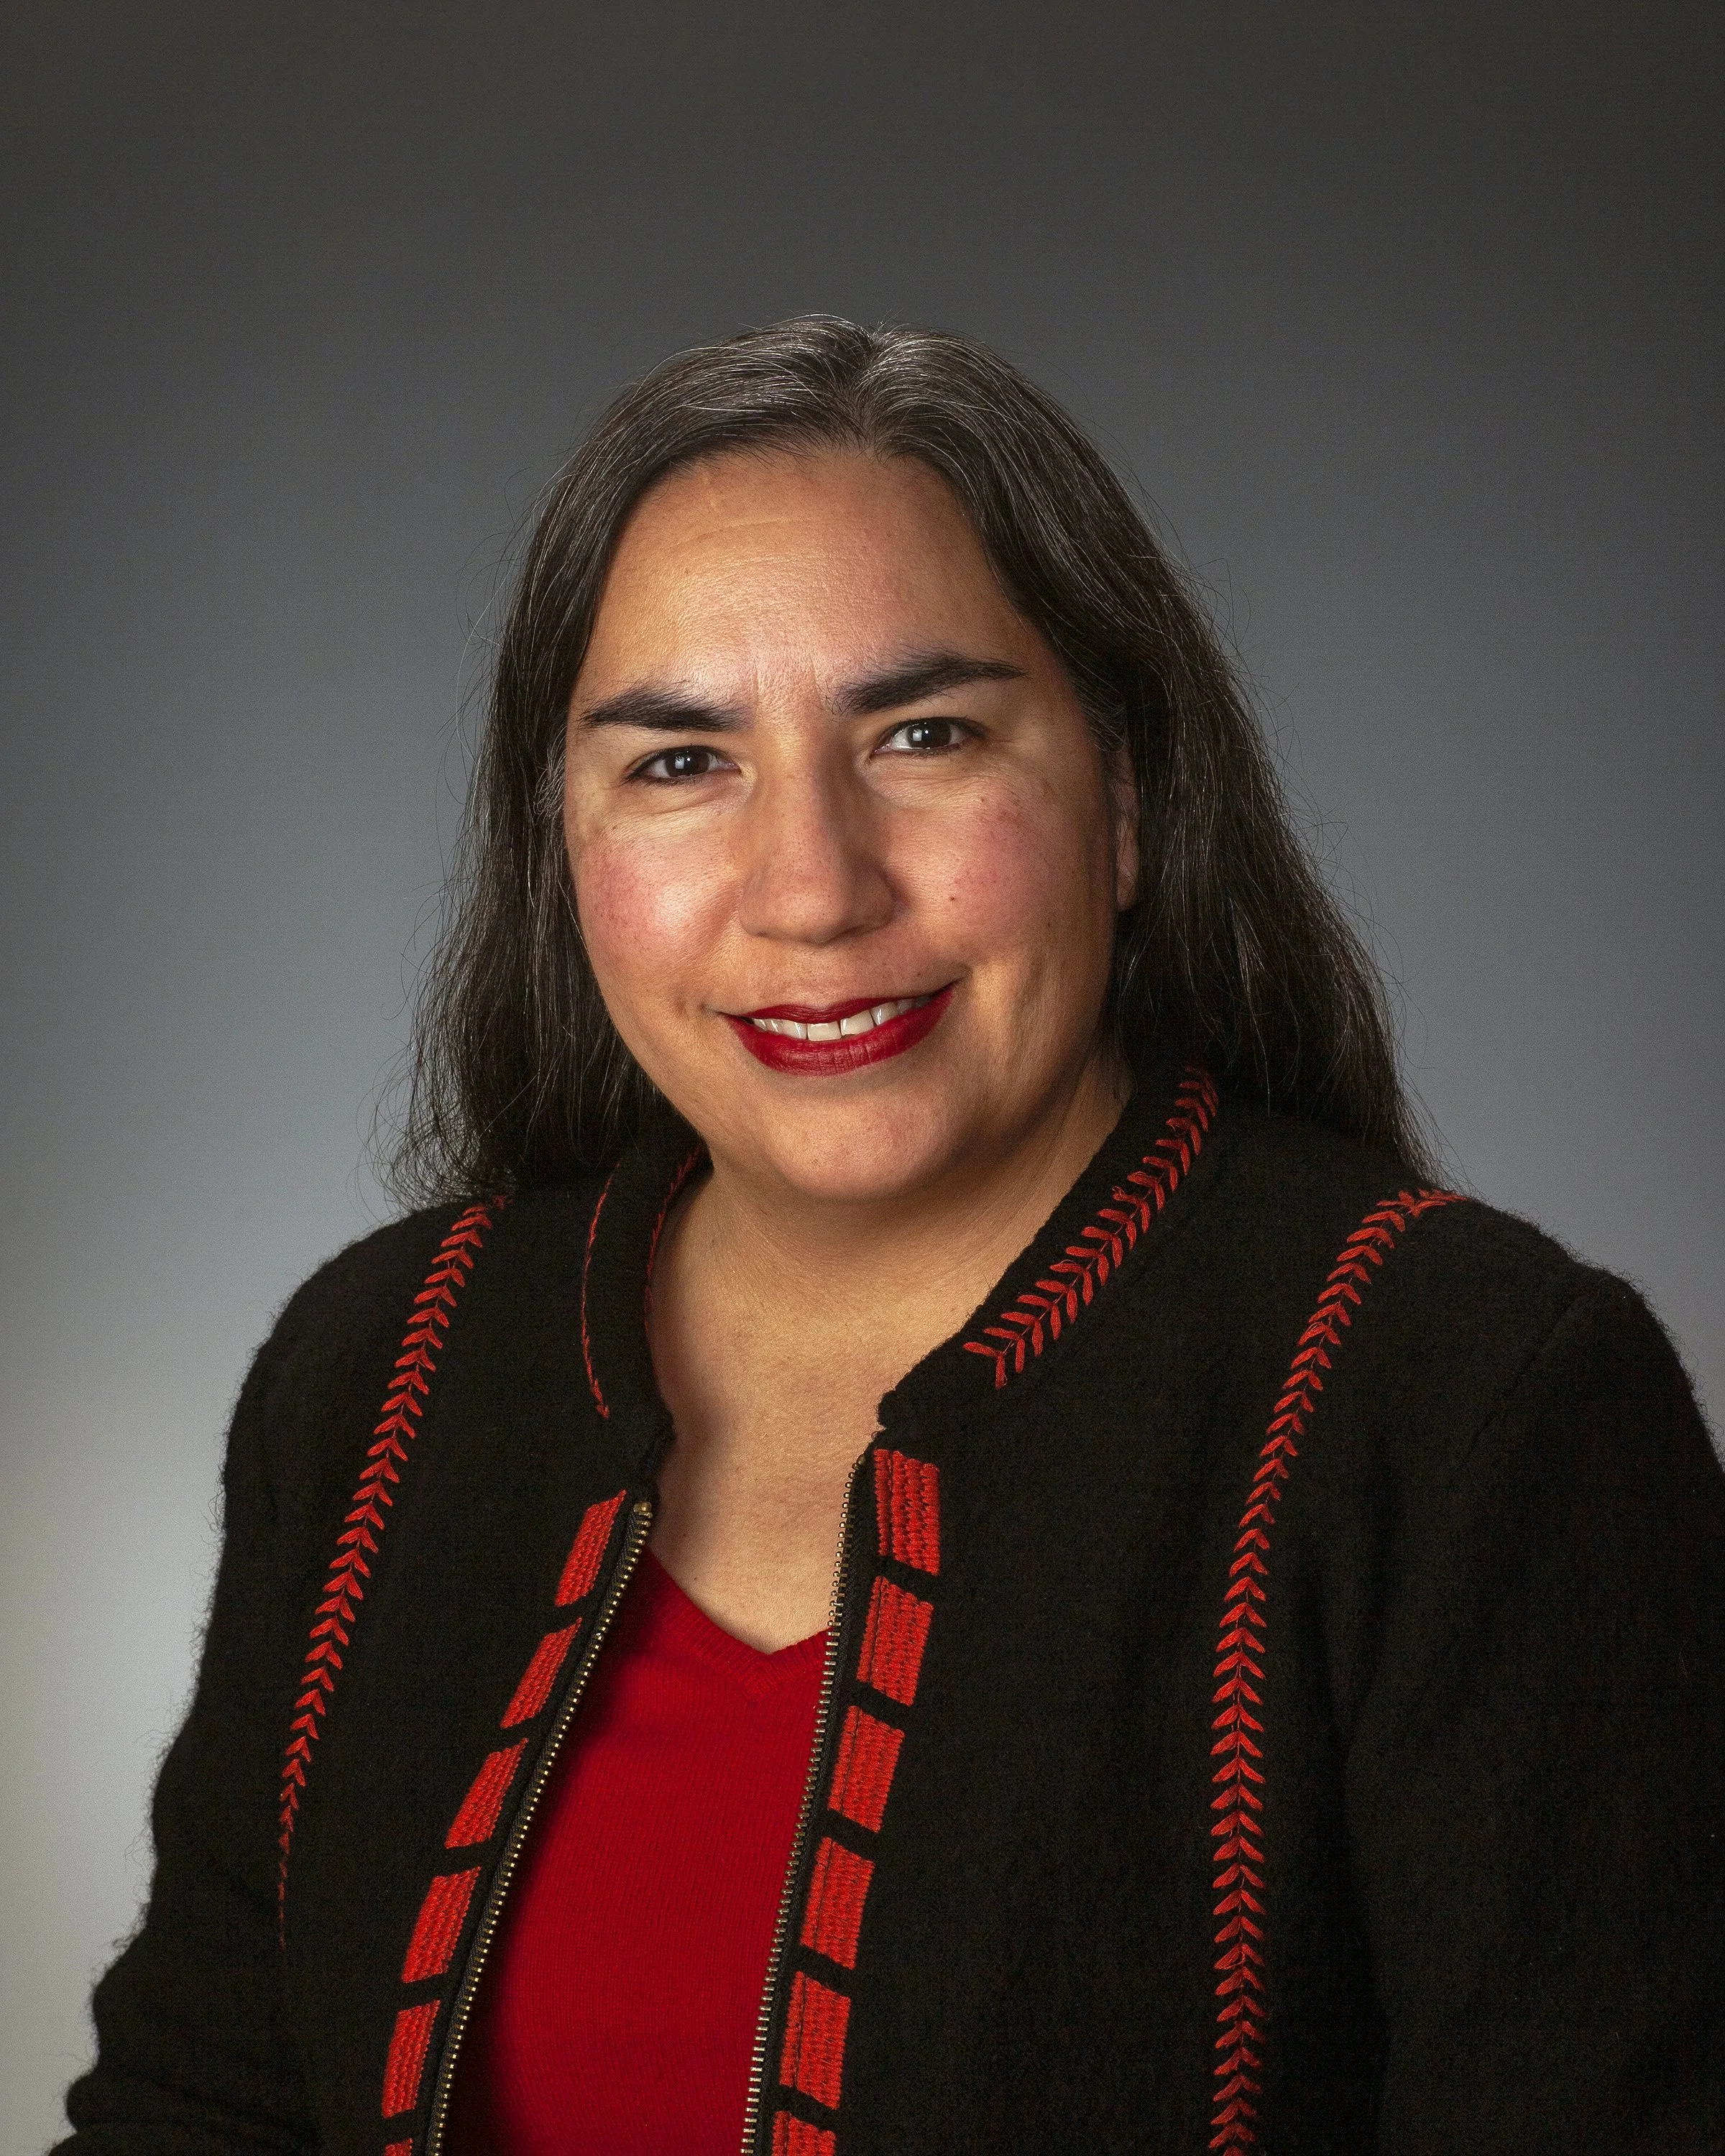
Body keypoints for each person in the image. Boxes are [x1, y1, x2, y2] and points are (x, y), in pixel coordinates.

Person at [56, 317, 1723, 2156]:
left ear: (1129, 802)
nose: (812, 889)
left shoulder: (1476, 1402)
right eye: (681, 764)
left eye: (924, 735)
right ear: (565, 854)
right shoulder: (379, 1372)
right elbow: (198, 2110)